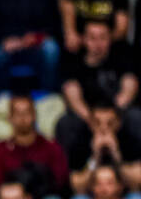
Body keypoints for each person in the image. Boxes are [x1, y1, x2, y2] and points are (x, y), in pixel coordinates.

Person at [56, 19, 140, 159]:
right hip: (86, 117)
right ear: (84, 39)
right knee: (66, 123)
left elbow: (129, 88)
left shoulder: (122, 56)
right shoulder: (73, 61)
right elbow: (73, 96)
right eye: (92, 38)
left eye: (103, 37)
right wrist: (94, 122)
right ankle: (72, 168)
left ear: (110, 38)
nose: (98, 43)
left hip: (117, 115)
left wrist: (110, 120)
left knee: (136, 117)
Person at [0, 94, 69, 199]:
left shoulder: (51, 147)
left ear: (34, 116)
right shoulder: (0, 149)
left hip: (43, 198)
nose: (22, 118)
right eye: (17, 113)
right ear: (10, 118)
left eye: (26, 113)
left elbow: (61, 181)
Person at [68, 103, 141, 195]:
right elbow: (78, 188)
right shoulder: (80, 142)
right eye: (97, 123)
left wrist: (116, 155)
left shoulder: (129, 141)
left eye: (110, 123)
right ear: (90, 123)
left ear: (118, 123)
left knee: (136, 198)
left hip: (123, 197)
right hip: (91, 197)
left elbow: (136, 184)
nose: (103, 128)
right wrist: (95, 157)